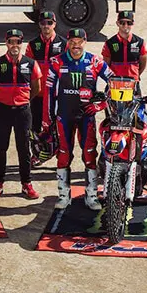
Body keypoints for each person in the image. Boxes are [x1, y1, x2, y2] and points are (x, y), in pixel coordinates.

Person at [45, 28, 114, 210]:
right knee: (63, 154)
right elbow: (49, 91)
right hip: (65, 117)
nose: (76, 46)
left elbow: (114, 81)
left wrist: (101, 105)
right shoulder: (57, 62)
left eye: (79, 42)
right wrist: (49, 117)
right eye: (72, 42)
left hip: (87, 117)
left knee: (90, 154)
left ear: (85, 41)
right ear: (68, 42)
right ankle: (63, 195)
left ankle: (91, 195)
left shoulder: (95, 61)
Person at [0, 29, 42, 200]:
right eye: (11, 41)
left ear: (21, 44)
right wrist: (1, 99)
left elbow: (36, 88)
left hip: (23, 112)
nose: (14, 45)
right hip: (2, 110)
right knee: (1, 148)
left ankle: (26, 184)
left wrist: (23, 100)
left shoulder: (31, 63)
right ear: (6, 43)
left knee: (24, 148)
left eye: (18, 42)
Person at [27, 10, 65, 136]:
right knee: (35, 127)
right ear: (39, 24)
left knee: (56, 127)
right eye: (43, 23)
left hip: (55, 94)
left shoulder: (64, 44)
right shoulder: (33, 44)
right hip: (38, 93)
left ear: (54, 24)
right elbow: (28, 69)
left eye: (49, 23)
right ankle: (36, 153)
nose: (46, 26)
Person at [101, 10, 147, 80]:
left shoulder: (140, 42)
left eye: (129, 23)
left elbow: (143, 65)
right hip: (115, 83)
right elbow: (106, 65)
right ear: (117, 23)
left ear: (133, 23)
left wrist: (135, 75)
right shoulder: (109, 43)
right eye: (122, 22)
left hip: (133, 82)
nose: (126, 25)